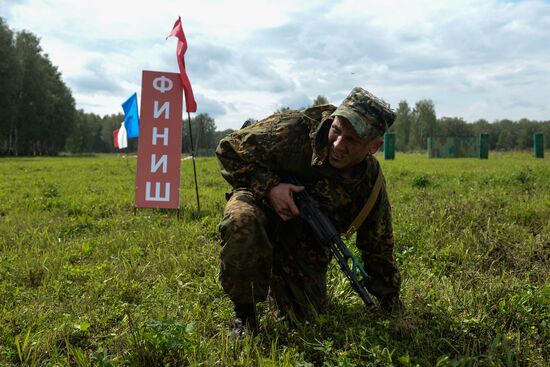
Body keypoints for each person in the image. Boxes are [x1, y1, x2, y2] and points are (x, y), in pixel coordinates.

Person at [216, 87, 402, 338]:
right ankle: (245, 315)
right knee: (242, 220)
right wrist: (271, 187)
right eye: (337, 130)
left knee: (305, 317)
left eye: (352, 139)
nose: (337, 144)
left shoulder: (369, 183)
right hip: (258, 200)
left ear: (374, 146)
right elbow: (228, 150)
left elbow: (378, 244)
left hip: (303, 235)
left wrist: (390, 303)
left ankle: (274, 272)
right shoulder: (292, 128)